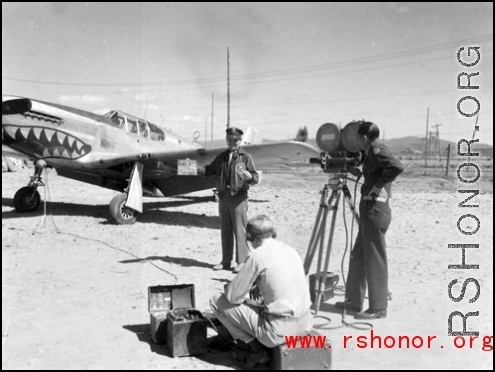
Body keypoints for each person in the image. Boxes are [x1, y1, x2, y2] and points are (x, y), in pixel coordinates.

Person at [210, 215, 313, 369]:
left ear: (249, 236)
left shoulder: (258, 256)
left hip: (278, 333)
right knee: (256, 305)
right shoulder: (290, 250)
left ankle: (255, 349)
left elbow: (232, 297)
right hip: (306, 325)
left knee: (216, 300)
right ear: (273, 232)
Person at [336, 121, 404, 320]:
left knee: (374, 259)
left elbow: (397, 166)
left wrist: (378, 185)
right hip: (369, 209)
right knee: (358, 255)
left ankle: (378, 308)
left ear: (364, 138)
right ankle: (354, 301)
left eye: (357, 137)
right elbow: (368, 176)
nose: (355, 141)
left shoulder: (377, 150)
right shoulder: (371, 154)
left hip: (375, 209)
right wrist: (348, 168)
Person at [203, 127, 259, 273]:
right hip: (223, 196)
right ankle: (225, 261)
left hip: (239, 196)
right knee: (225, 230)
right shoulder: (221, 157)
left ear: (240, 140)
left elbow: (256, 178)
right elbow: (208, 170)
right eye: (230, 139)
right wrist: (185, 167)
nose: (233, 142)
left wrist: (250, 177)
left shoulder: (245, 157)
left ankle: (241, 262)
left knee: (240, 230)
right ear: (226, 140)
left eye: (236, 140)